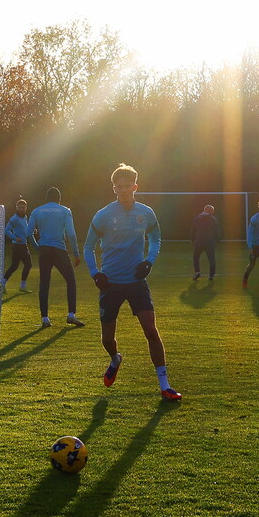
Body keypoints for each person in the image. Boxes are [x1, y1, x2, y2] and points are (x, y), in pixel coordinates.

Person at [83, 162, 181, 402]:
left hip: (136, 282)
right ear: (113, 188)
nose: (124, 190)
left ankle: (165, 384)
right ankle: (115, 359)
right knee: (107, 338)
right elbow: (87, 247)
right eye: (119, 187)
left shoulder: (146, 213)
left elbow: (156, 238)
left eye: (128, 186)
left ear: (135, 186)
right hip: (110, 285)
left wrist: (149, 261)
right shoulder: (103, 215)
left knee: (151, 330)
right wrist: (96, 273)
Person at [27, 186, 84, 328]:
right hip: (59, 249)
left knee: (44, 283)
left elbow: (28, 233)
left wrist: (37, 247)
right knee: (70, 281)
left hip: (44, 249)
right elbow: (71, 234)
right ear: (59, 199)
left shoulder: (37, 211)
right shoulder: (65, 211)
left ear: (47, 198)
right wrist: (76, 253)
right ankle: (71, 314)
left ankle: (45, 318)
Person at [2, 197, 34, 295]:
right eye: (19, 207)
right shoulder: (14, 219)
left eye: (23, 207)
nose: (21, 209)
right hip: (18, 246)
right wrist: (15, 238)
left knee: (15, 266)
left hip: (23, 245)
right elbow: (6, 230)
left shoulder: (25, 217)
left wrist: (31, 230)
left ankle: (3, 285)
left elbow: (25, 227)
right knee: (27, 264)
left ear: (26, 208)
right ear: (16, 207)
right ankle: (22, 286)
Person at [191, 203, 220, 281]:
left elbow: (194, 229)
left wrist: (192, 239)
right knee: (211, 258)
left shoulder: (197, 218)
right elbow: (216, 231)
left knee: (196, 257)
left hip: (199, 240)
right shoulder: (213, 219)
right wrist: (218, 240)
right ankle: (211, 275)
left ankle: (197, 272)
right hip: (209, 241)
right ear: (210, 211)